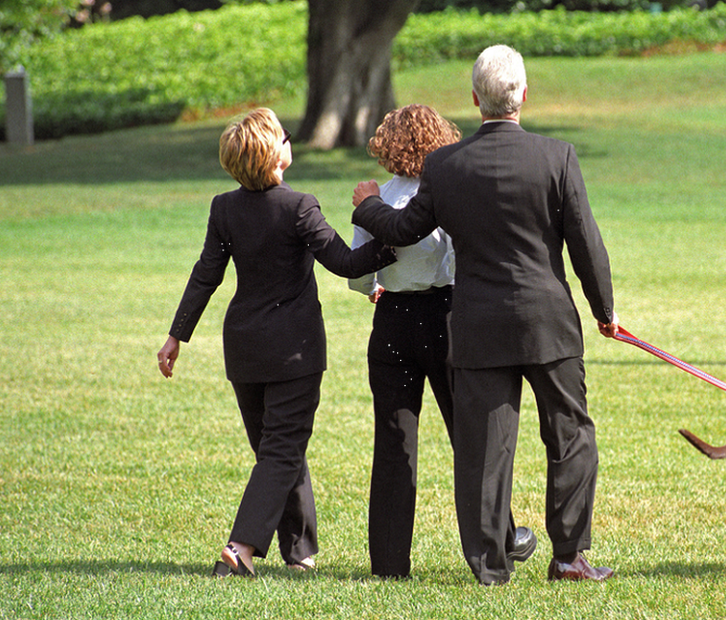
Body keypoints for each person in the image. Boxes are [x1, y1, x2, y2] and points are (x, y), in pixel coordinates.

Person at [351, 45, 619, 585]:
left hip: (476, 326)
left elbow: (403, 233)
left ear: (476, 100)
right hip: (549, 323)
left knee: (483, 451)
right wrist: (604, 310)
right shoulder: (558, 156)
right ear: (523, 95)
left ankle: (490, 567)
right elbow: (585, 244)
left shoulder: (445, 166)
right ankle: (569, 557)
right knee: (570, 437)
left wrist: (368, 206)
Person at [157, 108, 396, 577]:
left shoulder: (224, 207)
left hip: (244, 349)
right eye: (284, 136)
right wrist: (395, 242)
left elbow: (206, 274)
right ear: (276, 155)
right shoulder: (299, 206)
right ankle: (240, 547)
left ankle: (300, 549)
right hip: (295, 349)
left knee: (278, 448)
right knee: (282, 449)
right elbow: (345, 262)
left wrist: (175, 336)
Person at [348, 104, 536, 579]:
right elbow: (459, 259)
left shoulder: (375, 198)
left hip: (392, 323)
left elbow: (359, 276)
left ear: (386, 147)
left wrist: (376, 285)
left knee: (394, 443)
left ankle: (389, 562)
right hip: (447, 317)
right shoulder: (452, 194)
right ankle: (502, 536)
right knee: (470, 436)